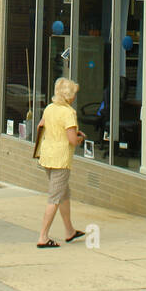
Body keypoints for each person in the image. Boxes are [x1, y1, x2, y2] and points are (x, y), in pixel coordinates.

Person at [35, 76, 85, 248]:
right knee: (55, 198)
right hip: (60, 160)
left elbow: (40, 126)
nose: (75, 97)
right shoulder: (69, 113)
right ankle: (43, 236)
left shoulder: (49, 108)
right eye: (74, 94)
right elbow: (72, 139)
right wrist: (80, 138)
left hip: (47, 156)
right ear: (69, 96)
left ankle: (69, 230)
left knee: (63, 194)